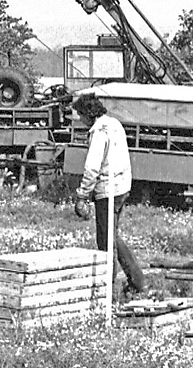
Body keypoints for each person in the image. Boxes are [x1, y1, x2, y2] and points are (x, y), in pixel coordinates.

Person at [72, 92, 146, 296]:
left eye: (80, 115)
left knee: (105, 240)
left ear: (88, 114)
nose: (79, 119)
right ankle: (137, 281)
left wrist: (82, 195)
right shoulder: (114, 123)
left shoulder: (98, 132)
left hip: (108, 189)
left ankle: (110, 287)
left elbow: (92, 167)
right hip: (122, 186)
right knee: (113, 235)